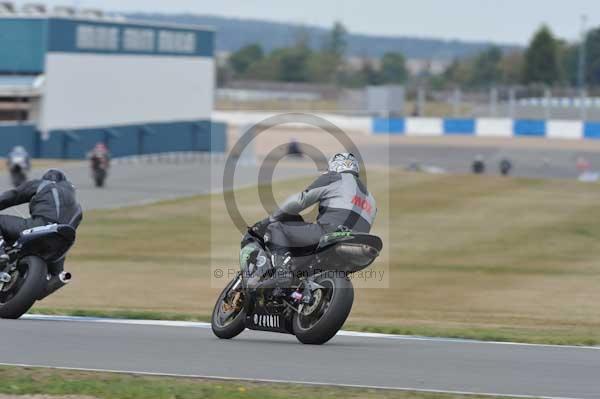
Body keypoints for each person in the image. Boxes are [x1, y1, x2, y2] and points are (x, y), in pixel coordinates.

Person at [249, 152, 377, 287]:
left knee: (275, 228)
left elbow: (300, 200)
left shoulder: (333, 177)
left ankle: (282, 274)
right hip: (362, 249)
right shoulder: (371, 198)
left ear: (333, 166)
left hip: (331, 233)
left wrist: (271, 218)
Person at [0, 169, 82, 266]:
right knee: (57, 272)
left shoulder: (45, 184)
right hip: (63, 241)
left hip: (42, 225)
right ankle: (57, 275)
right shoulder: (77, 205)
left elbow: (13, 195)